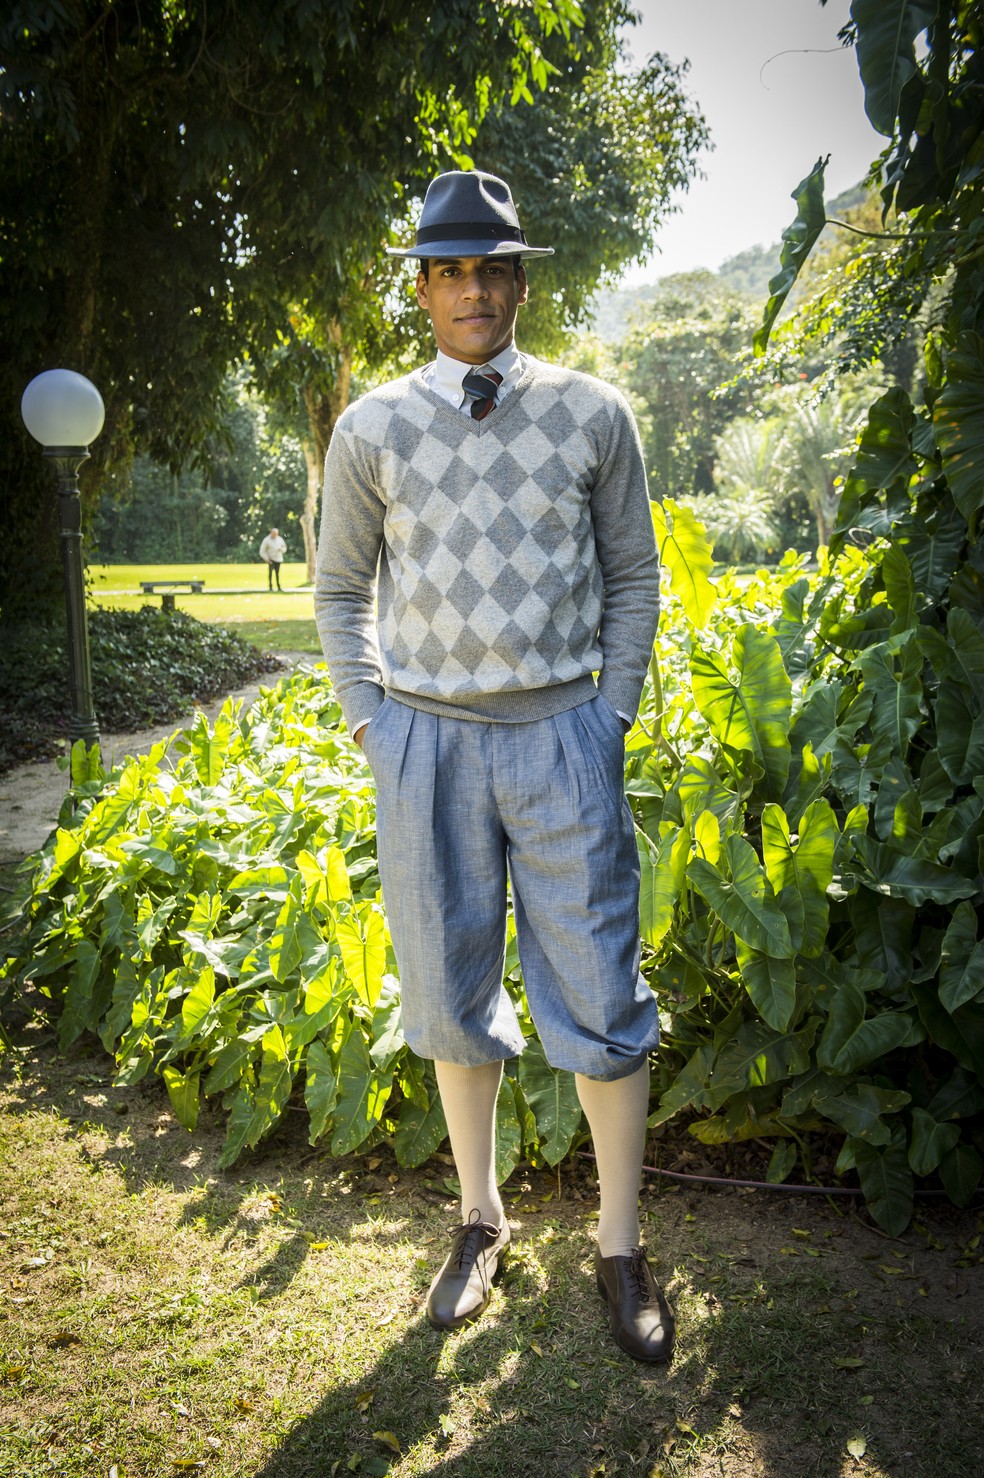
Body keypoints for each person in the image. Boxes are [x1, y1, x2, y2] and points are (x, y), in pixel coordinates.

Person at [315, 170, 674, 1364]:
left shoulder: (592, 413)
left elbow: (635, 572)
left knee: (601, 989)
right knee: (449, 987)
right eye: (451, 269)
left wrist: (608, 710)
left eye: (494, 267)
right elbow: (336, 589)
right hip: (425, 742)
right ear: (421, 286)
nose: (474, 287)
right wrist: (374, 720)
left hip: (563, 734)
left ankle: (619, 1245)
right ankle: (479, 1220)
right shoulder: (371, 426)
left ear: (522, 279)